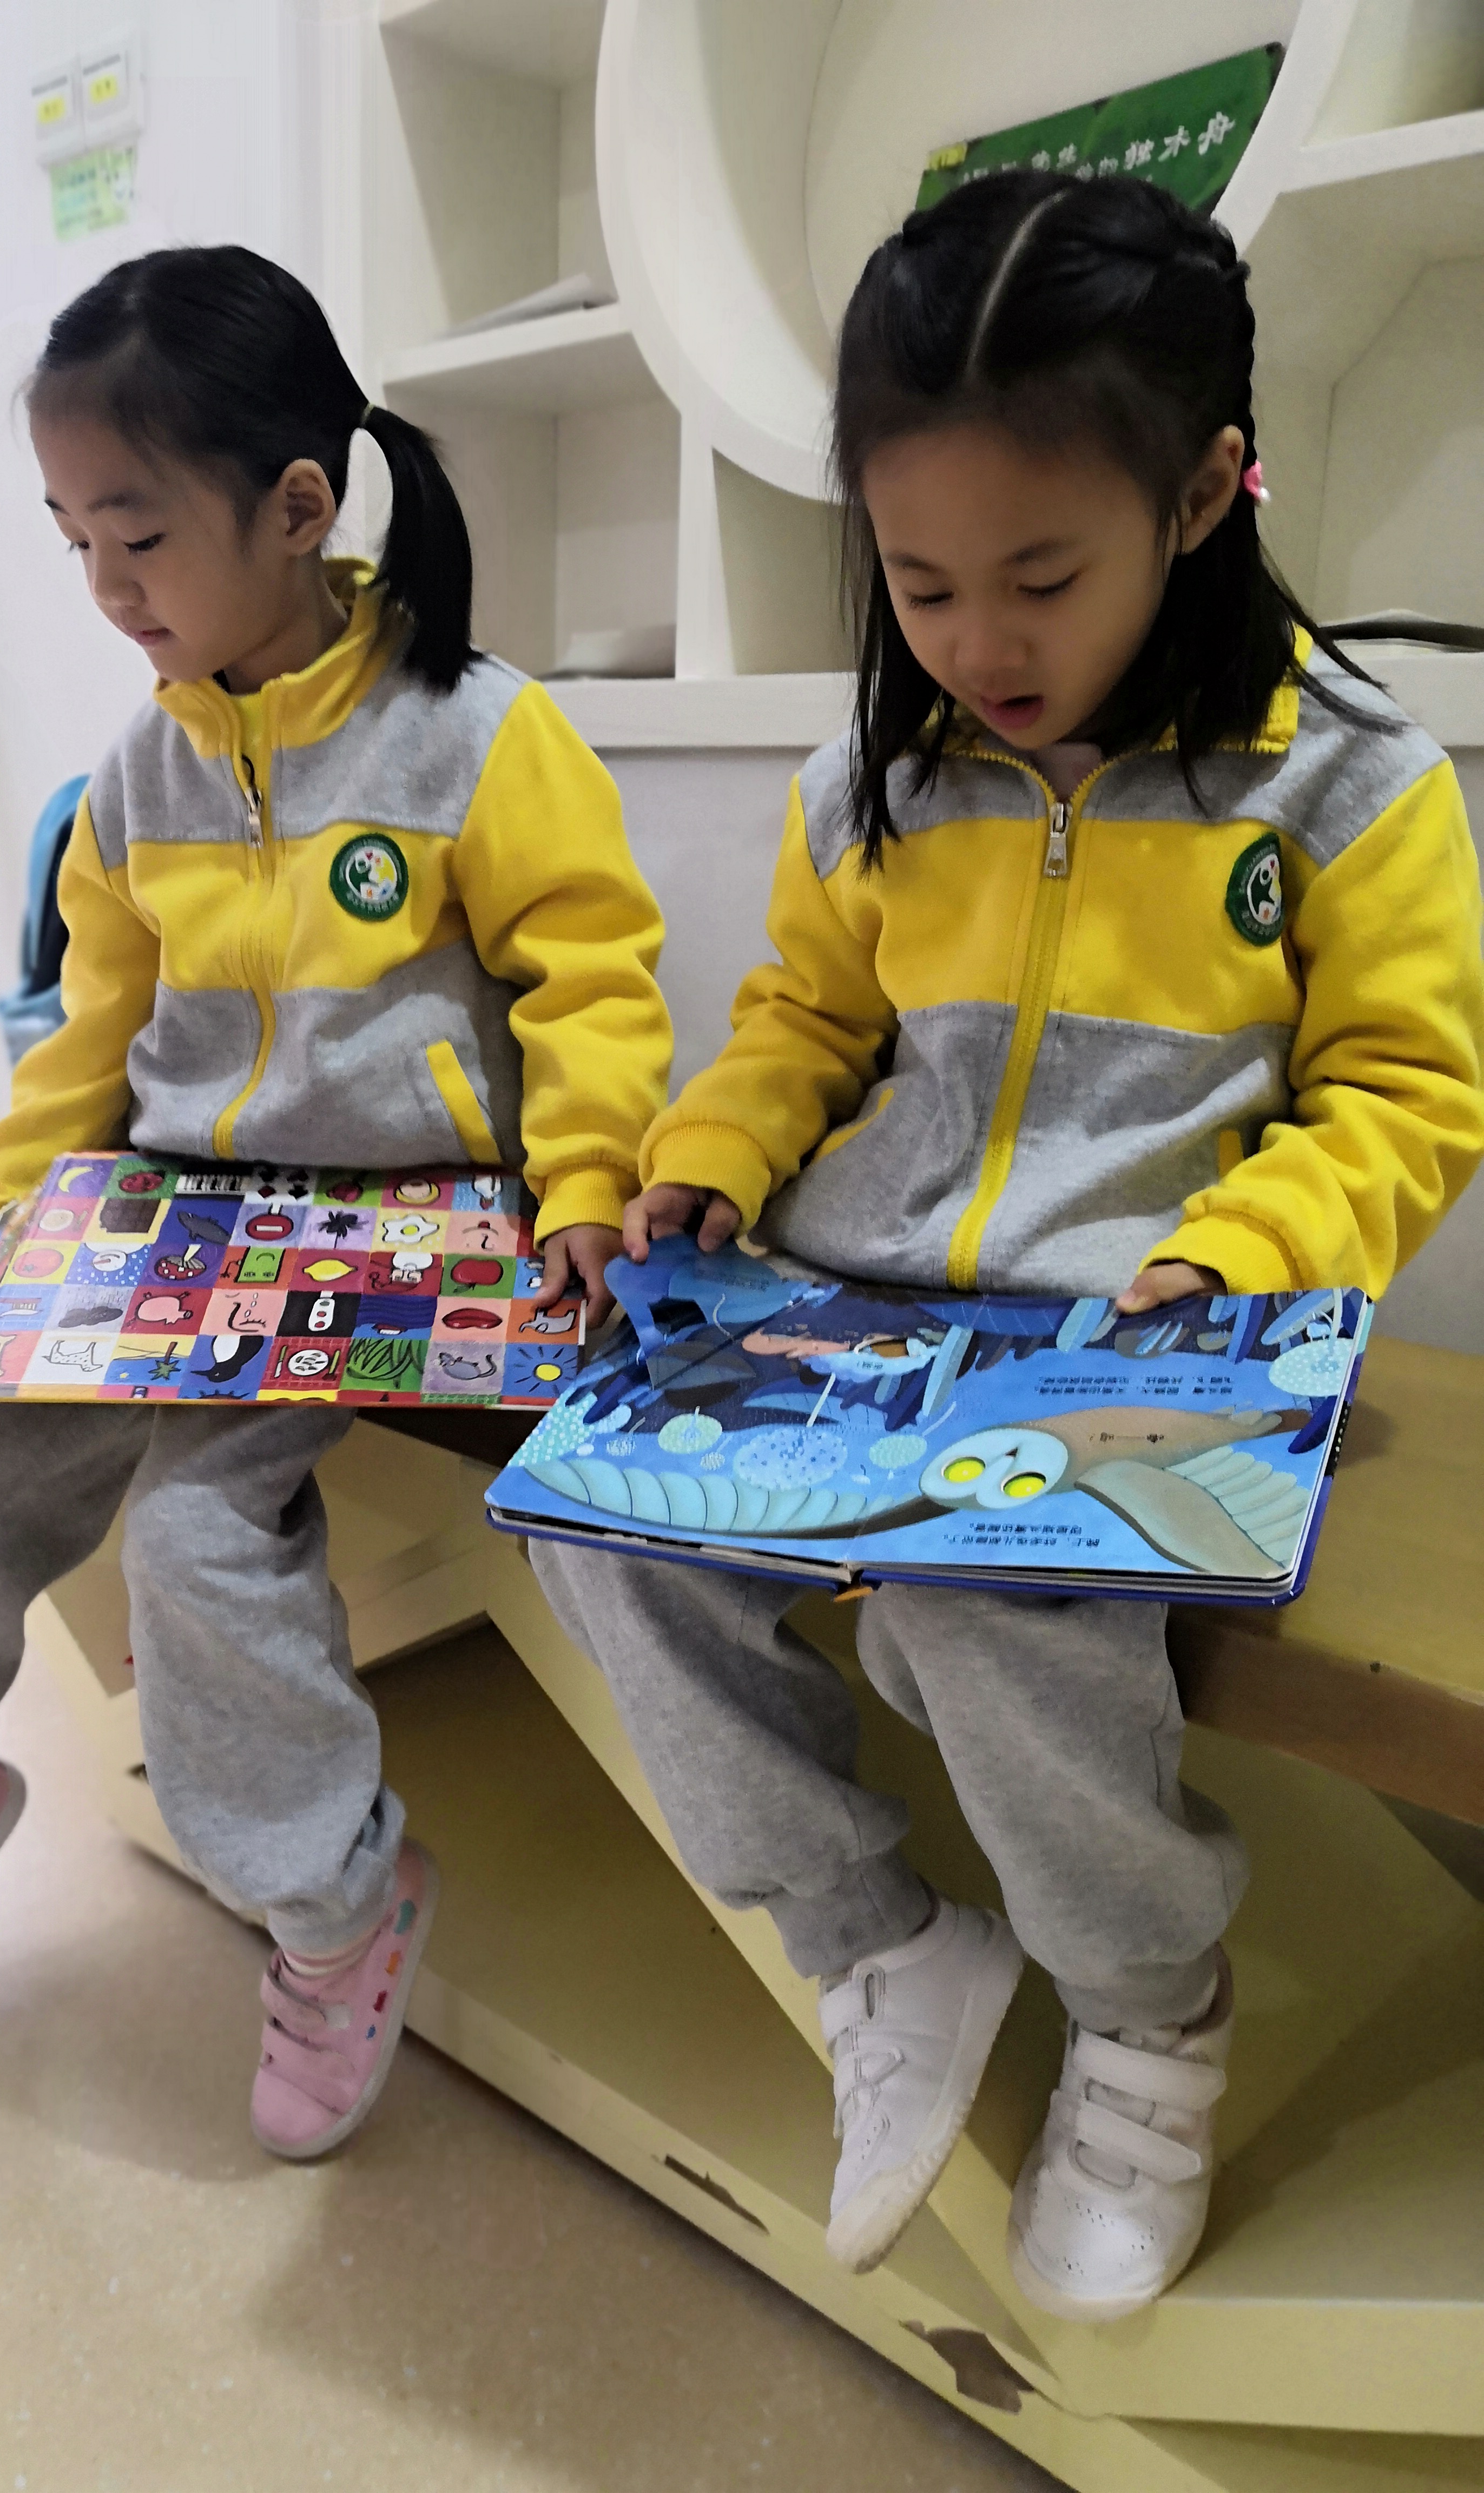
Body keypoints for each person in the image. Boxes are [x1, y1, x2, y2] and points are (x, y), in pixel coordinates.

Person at [532, 171, 1484, 2319]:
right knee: (596, 1514)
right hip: (858, 1308)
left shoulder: (1345, 785)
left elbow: (1408, 1095)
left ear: (1205, 495)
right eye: (920, 581)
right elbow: (801, 1022)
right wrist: (707, 1155)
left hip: (1150, 1333)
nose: (978, 645)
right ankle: (877, 1940)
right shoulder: (878, 775)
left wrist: (1250, 1245)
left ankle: (1149, 2011)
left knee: (983, 1603)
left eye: (1041, 578)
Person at [0, 246, 671, 2161]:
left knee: (200, 1541)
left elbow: (594, 985)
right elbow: (90, 1037)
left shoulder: (479, 730)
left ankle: (335, 1907)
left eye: (137, 537)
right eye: (75, 544)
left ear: (297, 508)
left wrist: (590, 1178)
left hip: (404, 1247)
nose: (108, 591)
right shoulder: (140, 771)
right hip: (174, 1233)